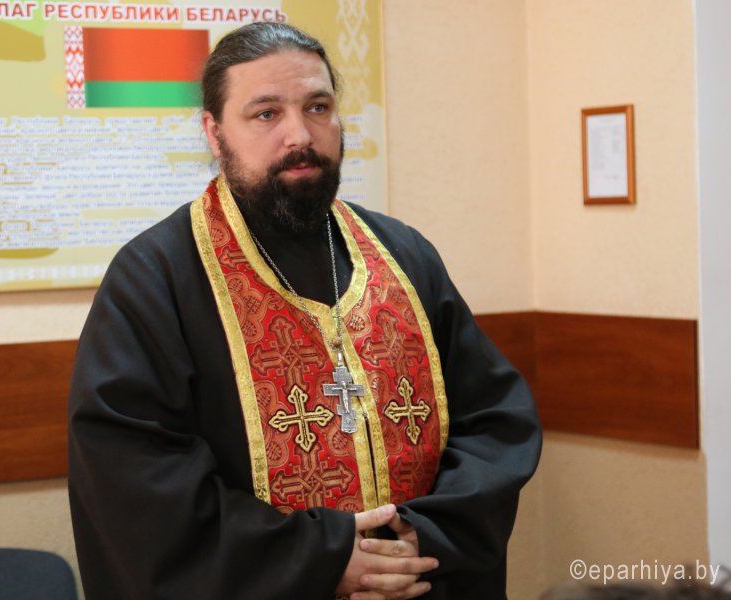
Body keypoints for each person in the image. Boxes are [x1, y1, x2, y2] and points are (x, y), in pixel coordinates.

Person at [68, 21, 541, 600]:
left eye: (318, 107)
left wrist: (425, 533)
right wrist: (323, 558)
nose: (299, 134)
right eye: (266, 113)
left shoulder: (403, 255)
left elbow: (494, 419)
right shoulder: (155, 278)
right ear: (214, 132)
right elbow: (133, 481)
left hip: (420, 578)